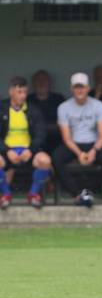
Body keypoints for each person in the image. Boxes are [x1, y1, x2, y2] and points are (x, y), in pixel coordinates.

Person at [52, 72, 102, 208]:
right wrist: (79, 153)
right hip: (73, 144)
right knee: (56, 158)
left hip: (94, 143)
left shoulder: (98, 106)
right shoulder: (63, 107)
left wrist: (94, 151)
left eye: (82, 87)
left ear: (88, 88)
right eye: (76, 87)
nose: (79, 90)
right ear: (72, 89)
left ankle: (89, 191)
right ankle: (76, 194)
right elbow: (66, 138)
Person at [0, 76, 52, 209]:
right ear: (11, 92)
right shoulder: (2, 108)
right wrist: (7, 150)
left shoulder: (33, 110)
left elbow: (41, 134)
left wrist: (31, 149)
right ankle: (5, 195)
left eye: (24, 92)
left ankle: (33, 194)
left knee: (45, 161)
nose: (22, 96)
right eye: (19, 92)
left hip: (28, 151)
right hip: (8, 152)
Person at [27, 70, 65, 154]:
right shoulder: (28, 100)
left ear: (49, 83)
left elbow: (65, 122)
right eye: (38, 80)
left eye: (44, 80)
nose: (41, 83)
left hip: (55, 139)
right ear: (33, 83)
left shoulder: (58, 99)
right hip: (34, 140)